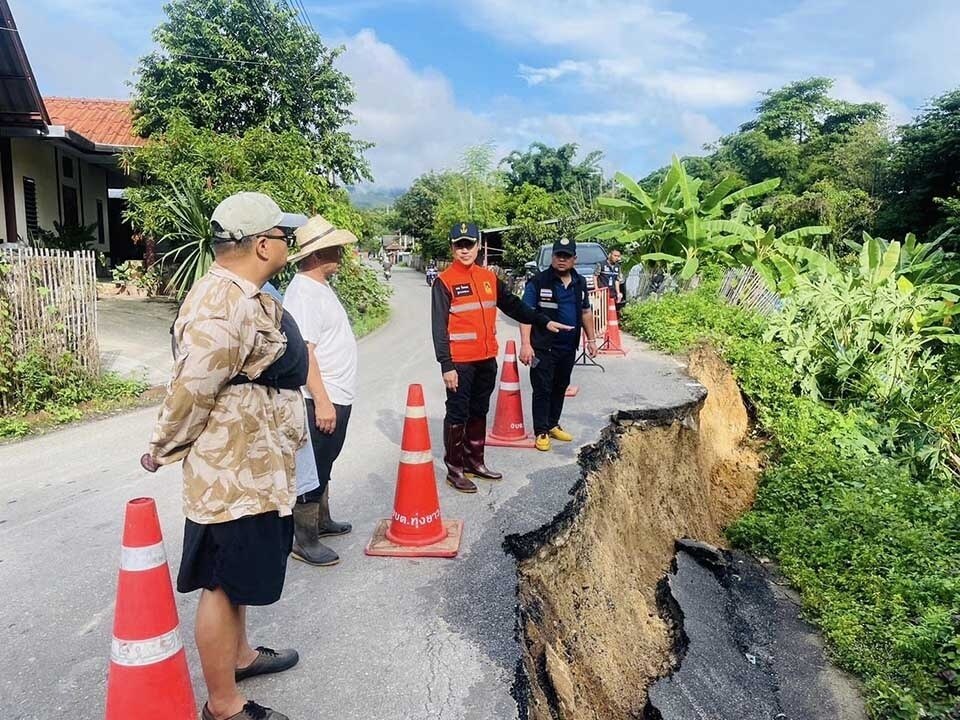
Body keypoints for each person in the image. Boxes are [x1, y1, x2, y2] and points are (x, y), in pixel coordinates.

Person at [140, 192, 304, 720]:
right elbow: (192, 388)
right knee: (218, 580)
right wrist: (162, 446)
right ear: (261, 245)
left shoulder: (246, 295)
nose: (288, 242)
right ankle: (224, 704)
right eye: (283, 235)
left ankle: (240, 656)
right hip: (228, 471)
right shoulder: (219, 303)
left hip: (252, 465)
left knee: (237, 575)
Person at [431, 221, 571, 493]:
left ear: (479, 245)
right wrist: (446, 365)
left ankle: (475, 461)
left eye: (468, 244)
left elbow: (514, 306)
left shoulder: (489, 278)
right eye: (459, 245)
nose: (464, 250)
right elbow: (438, 328)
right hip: (459, 363)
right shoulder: (444, 281)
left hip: (486, 359)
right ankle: (455, 468)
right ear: (452, 247)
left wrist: (543, 321)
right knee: (458, 413)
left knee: (480, 410)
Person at [282, 214, 359, 567]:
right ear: (314, 255)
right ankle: (305, 539)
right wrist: (323, 401)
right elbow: (306, 351)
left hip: (335, 393)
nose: (340, 253)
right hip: (320, 397)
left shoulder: (318, 286)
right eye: (333, 249)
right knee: (313, 465)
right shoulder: (304, 292)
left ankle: (321, 520)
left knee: (326, 460)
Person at [519, 238, 597, 451]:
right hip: (543, 347)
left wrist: (591, 340)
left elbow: (585, 311)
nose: (562, 260)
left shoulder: (579, 282)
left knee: (560, 386)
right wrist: (525, 344)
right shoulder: (538, 282)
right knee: (542, 388)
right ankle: (541, 431)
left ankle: (553, 423)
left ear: (574, 259)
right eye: (558, 255)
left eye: (566, 256)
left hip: (568, 347)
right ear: (552, 257)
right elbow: (526, 314)